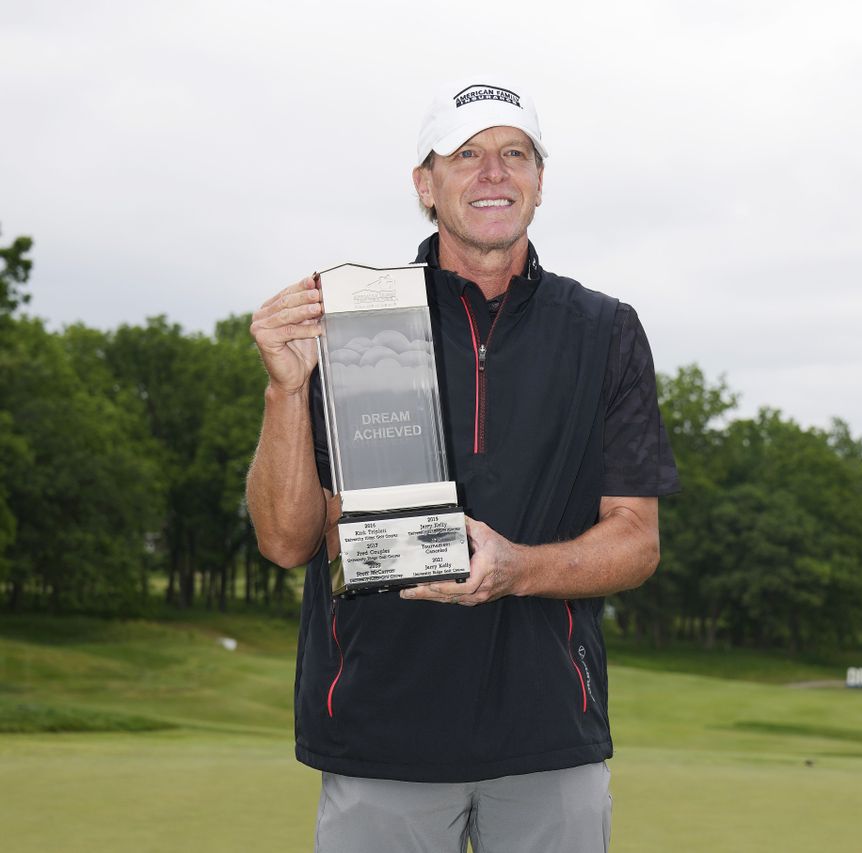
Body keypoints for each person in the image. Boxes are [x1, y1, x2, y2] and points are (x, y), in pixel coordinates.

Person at [245, 78, 679, 852]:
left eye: (515, 153)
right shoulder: (353, 316)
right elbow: (287, 541)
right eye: (466, 154)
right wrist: (287, 389)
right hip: (382, 732)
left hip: (549, 734)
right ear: (425, 183)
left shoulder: (605, 330)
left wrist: (518, 567)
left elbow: (637, 538)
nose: (493, 173)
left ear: (540, 181)